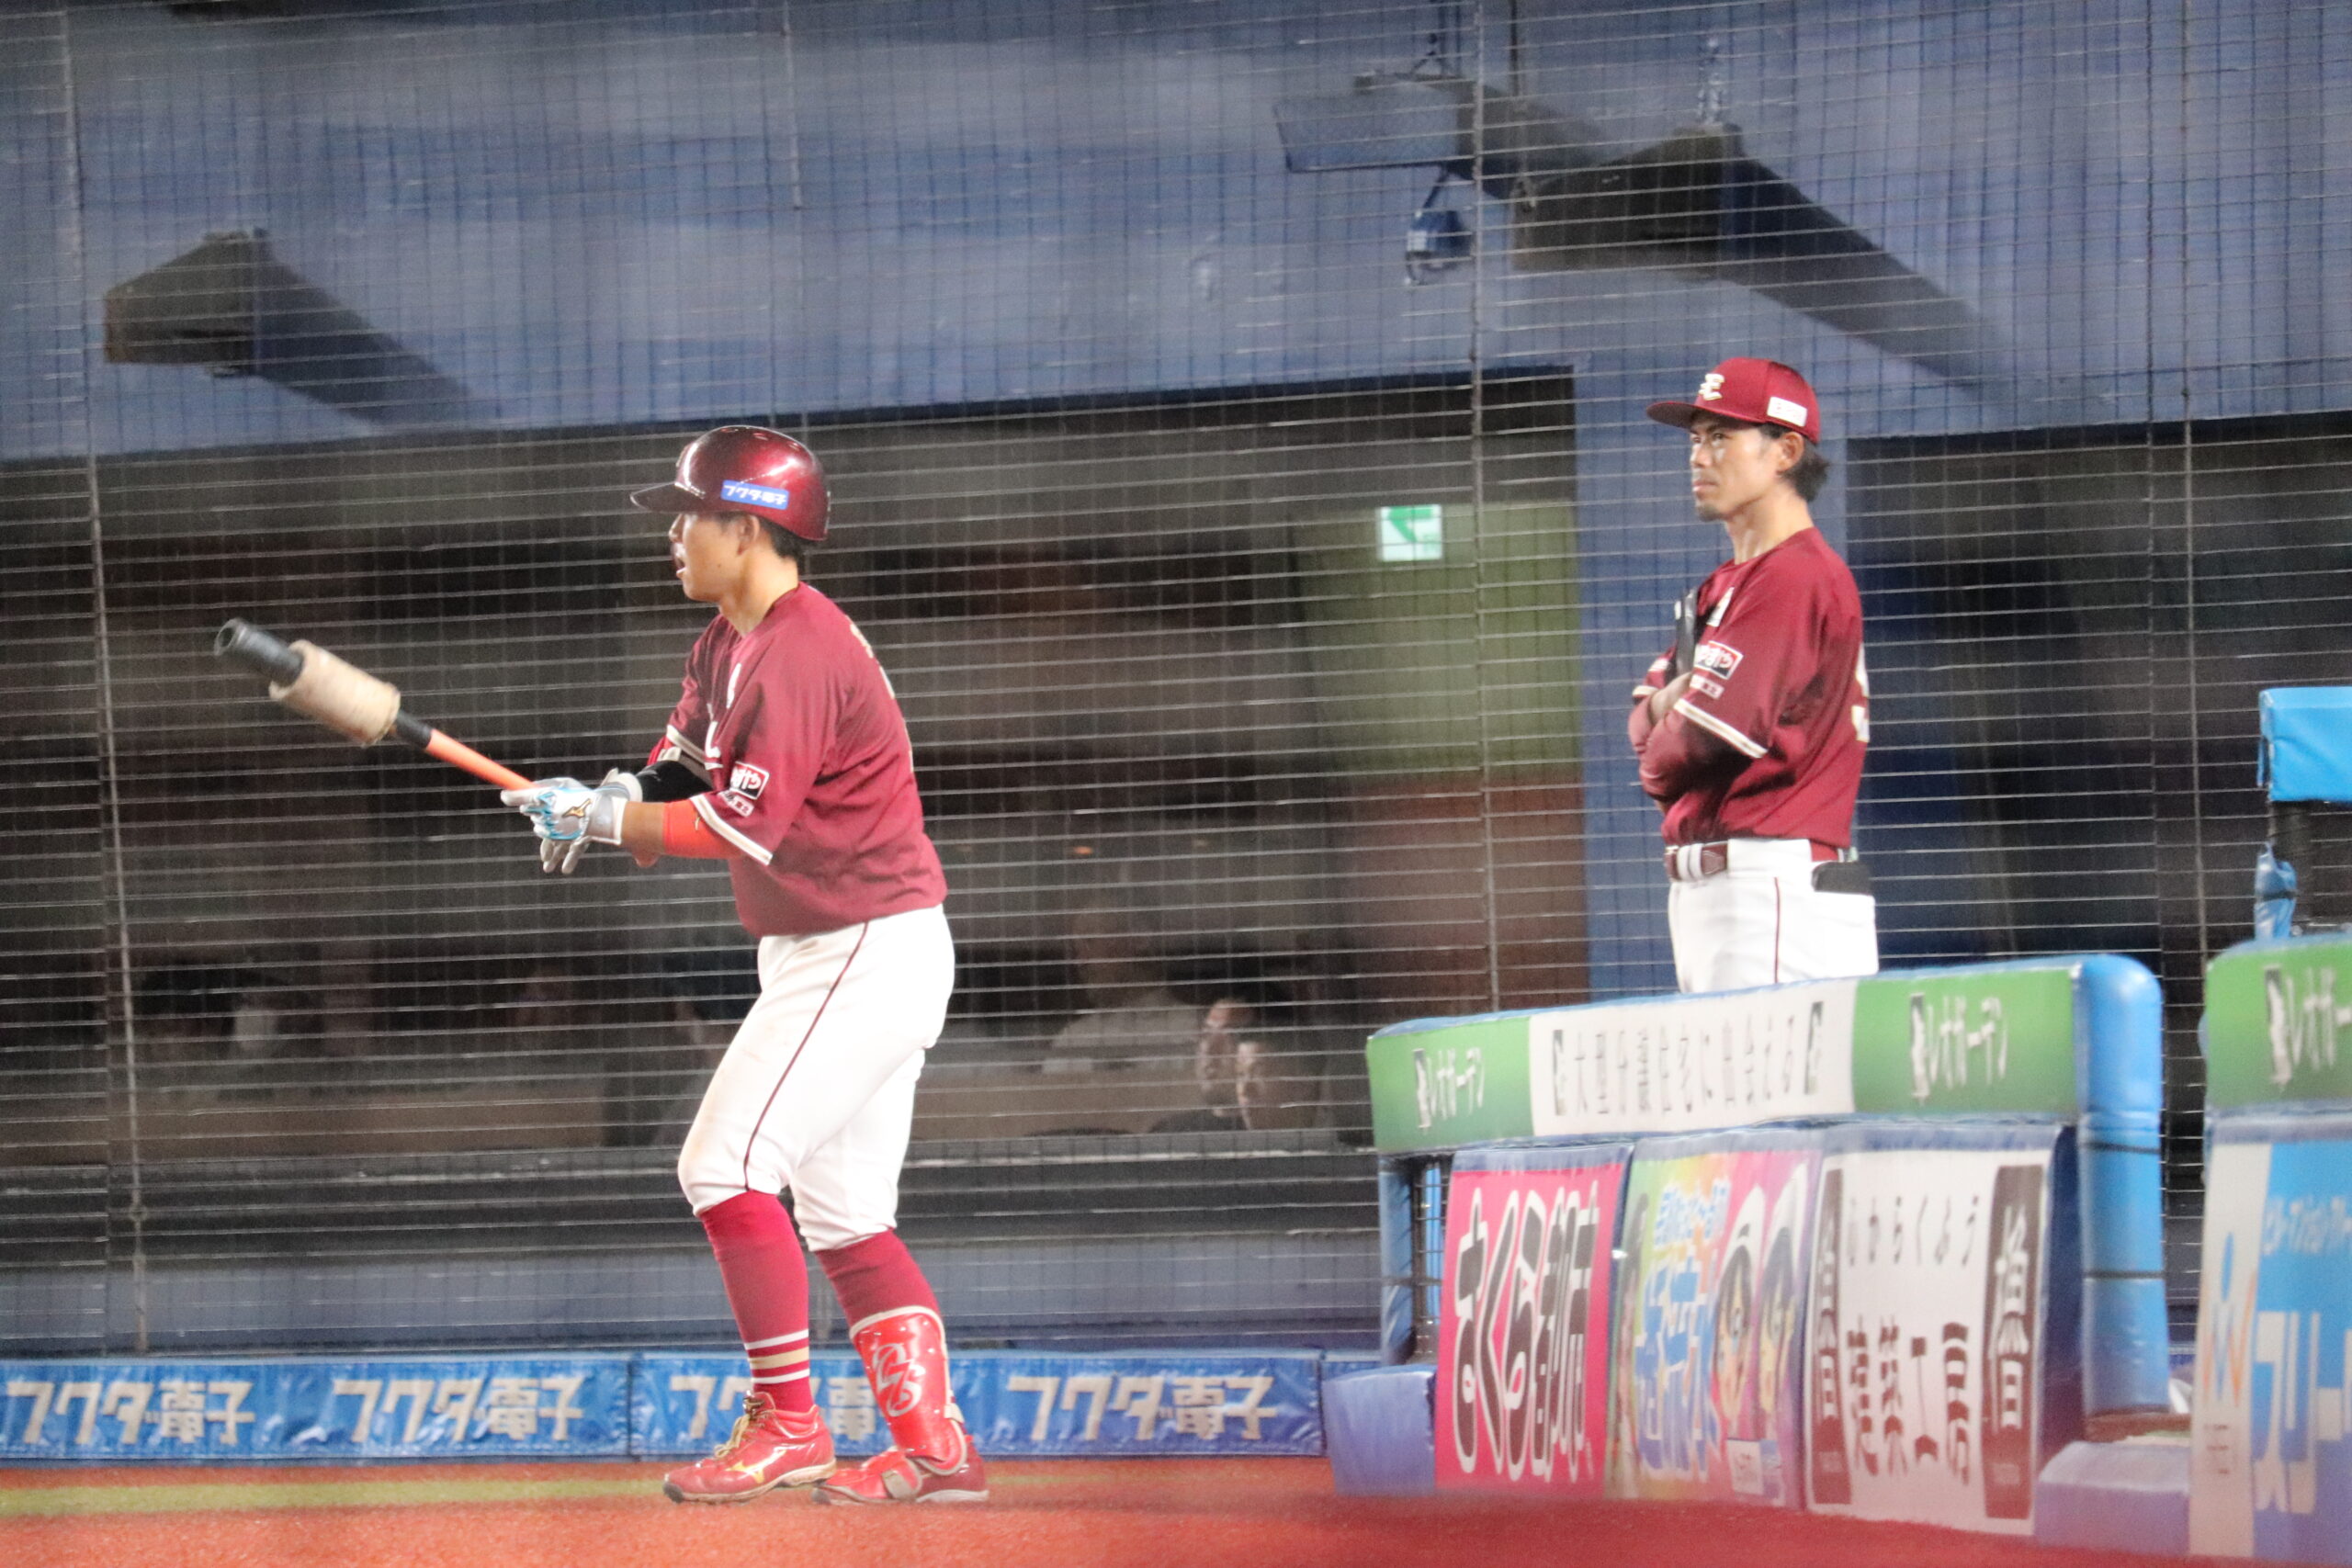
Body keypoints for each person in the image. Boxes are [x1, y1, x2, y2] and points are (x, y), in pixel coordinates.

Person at [501, 424, 985, 1506]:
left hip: (860, 947)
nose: (673, 536)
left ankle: (791, 1423)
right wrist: (608, 800)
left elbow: (737, 825)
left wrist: (607, 821)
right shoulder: (729, 639)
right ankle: (935, 1450)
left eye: (690, 517)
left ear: (750, 528)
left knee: (721, 1168)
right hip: (840, 947)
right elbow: (681, 770)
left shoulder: (798, 651)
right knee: (845, 1217)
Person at [1629, 358, 1876, 994]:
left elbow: (1695, 742)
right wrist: (1661, 715)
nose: (1698, 456)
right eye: (1695, 438)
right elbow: (1645, 722)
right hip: (1729, 893)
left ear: (1786, 451)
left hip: (1773, 890)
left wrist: (1666, 724)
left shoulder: (1794, 576)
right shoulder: (1724, 585)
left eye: (1721, 437)